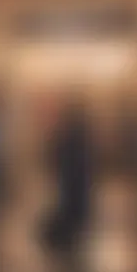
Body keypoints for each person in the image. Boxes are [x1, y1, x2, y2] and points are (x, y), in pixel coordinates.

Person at [41, 97, 94, 252]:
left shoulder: (71, 135)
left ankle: (65, 238)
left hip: (73, 181)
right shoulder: (80, 134)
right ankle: (68, 238)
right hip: (75, 181)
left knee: (71, 206)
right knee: (73, 207)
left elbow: (59, 156)